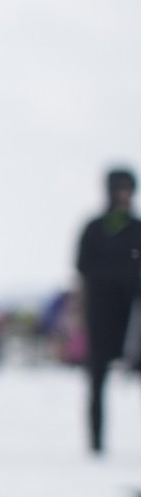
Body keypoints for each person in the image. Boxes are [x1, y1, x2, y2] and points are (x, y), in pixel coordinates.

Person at [75, 168, 141, 453]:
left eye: (128, 189)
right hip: (101, 315)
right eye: (119, 188)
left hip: (134, 317)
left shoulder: (137, 228)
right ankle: (96, 444)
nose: (124, 195)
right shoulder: (94, 228)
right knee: (97, 379)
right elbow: (82, 265)